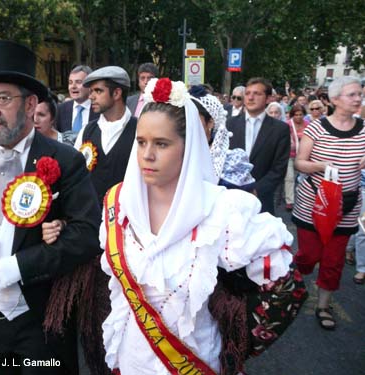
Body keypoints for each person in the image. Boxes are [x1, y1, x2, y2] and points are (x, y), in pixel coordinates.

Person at [99, 78, 293, 374]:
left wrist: (239, 341)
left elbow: (284, 285)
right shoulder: (119, 204)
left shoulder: (221, 211)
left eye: (161, 143)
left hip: (195, 362)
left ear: (188, 147)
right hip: (129, 361)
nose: (147, 155)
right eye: (141, 142)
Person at [0, 40, 101, 375]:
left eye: (2, 99)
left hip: (40, 325)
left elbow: (87, 235)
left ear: (31, 104)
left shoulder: (63, 159)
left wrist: (19, 266)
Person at [292, 76, 365, 330]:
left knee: (333, 260)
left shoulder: (364, 129)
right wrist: (322, 166)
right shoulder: (316, 128)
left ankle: (323, 306)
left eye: (359, 94)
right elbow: (299, 163)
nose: (358, 98)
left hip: (346, 206)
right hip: (313, 205)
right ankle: (291, 283)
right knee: (310, 255)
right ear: (334, 100)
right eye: (352, 94)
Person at [227, 77, 291, 215]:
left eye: (257, 94)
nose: (250, 97)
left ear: (268, 98)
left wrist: (256, 190)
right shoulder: (229, 124)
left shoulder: (280, 130)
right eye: (248, 93)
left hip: (262, 199)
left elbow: (279, 167)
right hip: (231, 199)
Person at [74, 66, 137, 205]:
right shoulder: (87, 130)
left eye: (98, 91)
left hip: (125, 218)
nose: (91, 96)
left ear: (116, 93)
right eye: (91, 91)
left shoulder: (140, 130)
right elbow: (74, 175)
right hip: (91, 218)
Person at [56, 65, 99, 133]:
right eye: (70, 82)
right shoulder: (60, 109)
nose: (73, 86)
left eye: (78, 82)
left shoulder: (100, 109)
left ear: (90, 85)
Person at [284, 105, 309, 211]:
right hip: (290, 154)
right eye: (296, 115)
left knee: (304, 178)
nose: (298, 117)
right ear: (292, 115)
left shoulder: (307, 125)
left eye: (300, 115)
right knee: (289, 178)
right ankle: (290, 201)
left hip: (303, 155)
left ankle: (304, 200)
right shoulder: (288, 125)